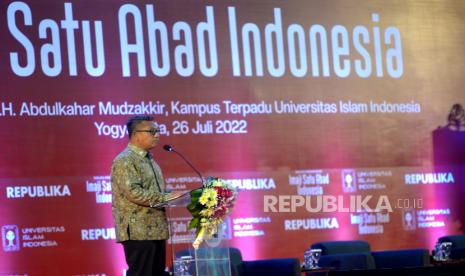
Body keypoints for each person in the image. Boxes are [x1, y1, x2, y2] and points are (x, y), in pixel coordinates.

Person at [111, 115, 184, 276]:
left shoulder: (149, 159)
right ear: (136, 134)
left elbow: (154, 192)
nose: (157, 135)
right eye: (152, 131)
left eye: (158, 131)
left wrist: (178, 195)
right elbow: (134, 193)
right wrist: (166, 197)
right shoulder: (125, 160)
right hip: (139, 231)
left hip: (156, 229)